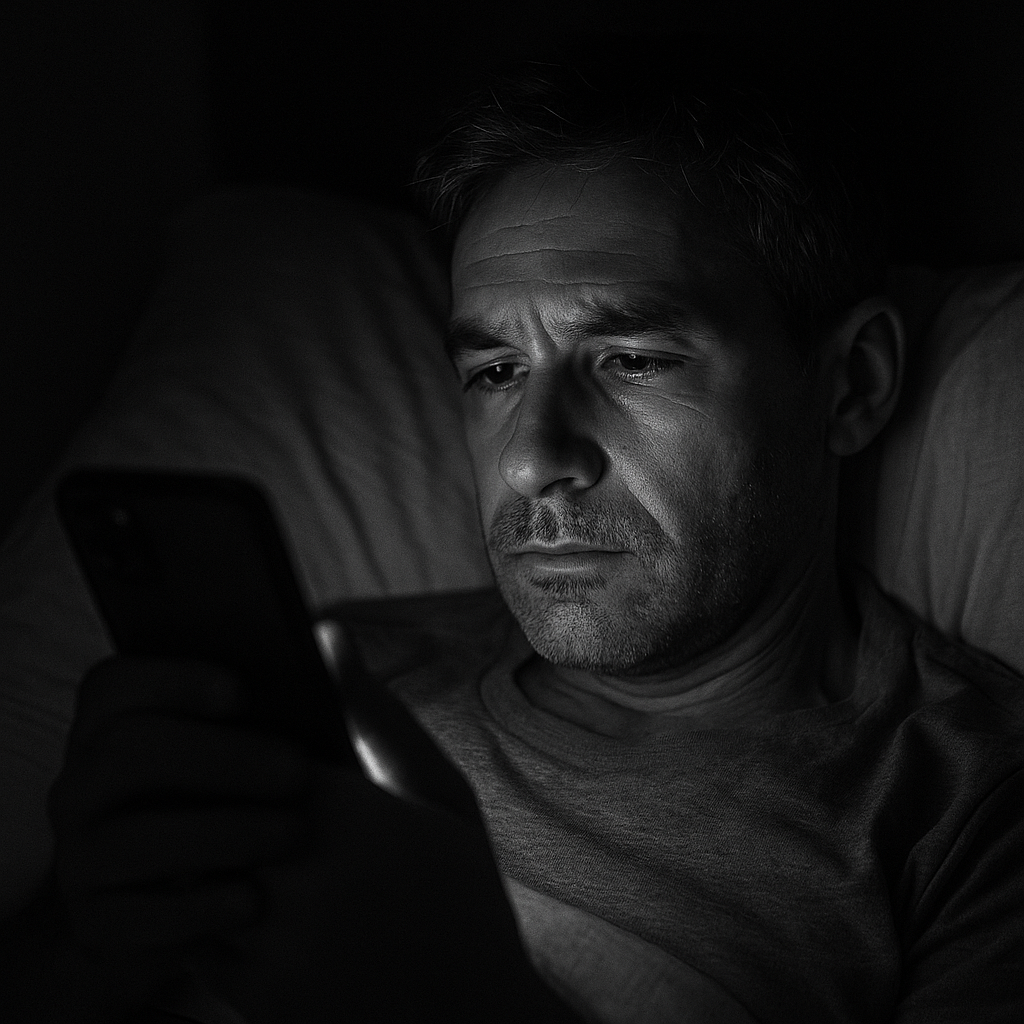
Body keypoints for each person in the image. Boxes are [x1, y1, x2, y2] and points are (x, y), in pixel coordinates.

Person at [4, 57, 1024, 1024]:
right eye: (494, 373)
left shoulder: (971, 811)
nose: (533, 459)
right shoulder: (337, 676)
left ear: (849, 384)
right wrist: (87, 950)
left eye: (630, 359)